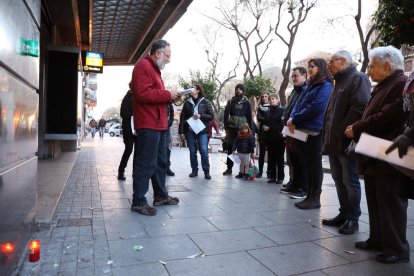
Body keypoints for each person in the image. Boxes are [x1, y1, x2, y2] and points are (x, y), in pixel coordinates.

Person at [345, 46, 409, 264]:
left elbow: (388, 115)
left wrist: (358, 126)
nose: (369, 70)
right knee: (375, 199)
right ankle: (378, 239)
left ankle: (397, 249)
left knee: (390, 202)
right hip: (375, 151)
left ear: (387, 66)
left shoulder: (400, 84)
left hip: (389, 152)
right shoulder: (384, 85)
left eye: (372, 66)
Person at [321, 50, 371, 235]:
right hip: (333, 143)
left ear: (343, 61)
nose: (328, 66)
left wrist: (340, 131)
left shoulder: (358, 78)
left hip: (345, 142)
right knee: (338, 180)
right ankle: (344, 213)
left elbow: (360, 107)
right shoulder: (339, 82)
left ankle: (353, 218)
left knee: (350, 181)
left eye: (331, 62)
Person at [130, 39, 180, 216]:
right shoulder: (143, 66)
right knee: (146, 163)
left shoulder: (155, 70)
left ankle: (160, 195)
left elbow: (154, 94)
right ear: (158, 53)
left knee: (160, 162)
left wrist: (170, 97)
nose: (169, 59)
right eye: (167, 55)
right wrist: (167, 94)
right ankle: (138, 201)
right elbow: (142, 93)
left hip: (158, 123)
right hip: (148, 123)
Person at [287, 58, 333, 209]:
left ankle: (315, 197)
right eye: (309, 66)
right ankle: (309, 196)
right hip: (303, 129)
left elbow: (317, 106)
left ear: (320, 68)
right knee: (308, 163)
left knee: (315, 165)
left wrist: (296, 118)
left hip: (314, 130)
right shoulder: (309, 85)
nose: (310, 69)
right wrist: (292, 118)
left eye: (312, 67)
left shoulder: (325, 85)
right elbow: (299, 104)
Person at [280, 67, 308, 198]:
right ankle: (294, 183)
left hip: (300, 130)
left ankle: (303, 188)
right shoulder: (294, 91)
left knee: (301, 160)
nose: (293, 78)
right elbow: (289, 109)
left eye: (296, 76)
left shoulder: (306, 89)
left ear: (304, 76)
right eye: (292, 76)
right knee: (293, 160)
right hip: (290, 130)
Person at [179, 83, 214, 180]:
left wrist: (200, 115)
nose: (191, 89)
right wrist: (181, 132)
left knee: (203, 150)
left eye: (193, 88)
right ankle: (194, 170)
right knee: (192, 151)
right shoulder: (187, 103)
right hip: (190, 130)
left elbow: (211, 116)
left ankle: (206, 171)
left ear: (198, 91)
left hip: (202, 131)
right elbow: (182, 118)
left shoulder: (205, 102)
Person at [223, 84, 252, 175]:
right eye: (237, 89)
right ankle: (229, 168)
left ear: (243, 91)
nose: (238, 91)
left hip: (243, 129)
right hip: (231, 129)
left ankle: (244, 171)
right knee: (230, 148)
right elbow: (225, 115)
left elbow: (249, 116)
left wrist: (250, 129)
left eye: (240, 89)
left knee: (245, 149)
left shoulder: (247, 103)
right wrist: (226, 127)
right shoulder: (231, 102)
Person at [261, 94, 285, 184]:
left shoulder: (282, 110)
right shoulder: (267, 112)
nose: (271, 100)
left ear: (277, 100)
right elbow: (263, 123)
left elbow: (283, 123)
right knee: (271, 158)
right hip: (270, 138)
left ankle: (280, 177)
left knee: (280, 158)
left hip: (279, 138)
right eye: (270, 99)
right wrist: (264, 127)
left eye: (273, 99)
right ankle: (272, 177)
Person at [117, 87, 134, 181]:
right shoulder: (127, 97)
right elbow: (123, 113)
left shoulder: (141, 96)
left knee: (138, 152)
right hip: (128, 129)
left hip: (138, 129)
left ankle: (136, 172)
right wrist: (134, 114)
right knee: (129, 149)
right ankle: (121, 171)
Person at [256, 92, 270, 178]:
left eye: (266, 96)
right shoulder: (260, 108)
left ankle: (269, 172)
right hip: (262, 133)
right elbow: (258, 118)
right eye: (262, 97)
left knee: (271, 154)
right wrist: (267, 120)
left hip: (271, 132)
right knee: (261, 154)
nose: (264, 98)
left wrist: (265, 120)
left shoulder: (272, 106)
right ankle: (260, 171)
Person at [166, 103, 175, 176]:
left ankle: (167, 167)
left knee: (167, 148)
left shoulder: (169, 102)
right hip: (156, 126)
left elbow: (172, 115)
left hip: (166, 127)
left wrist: (169, 122)